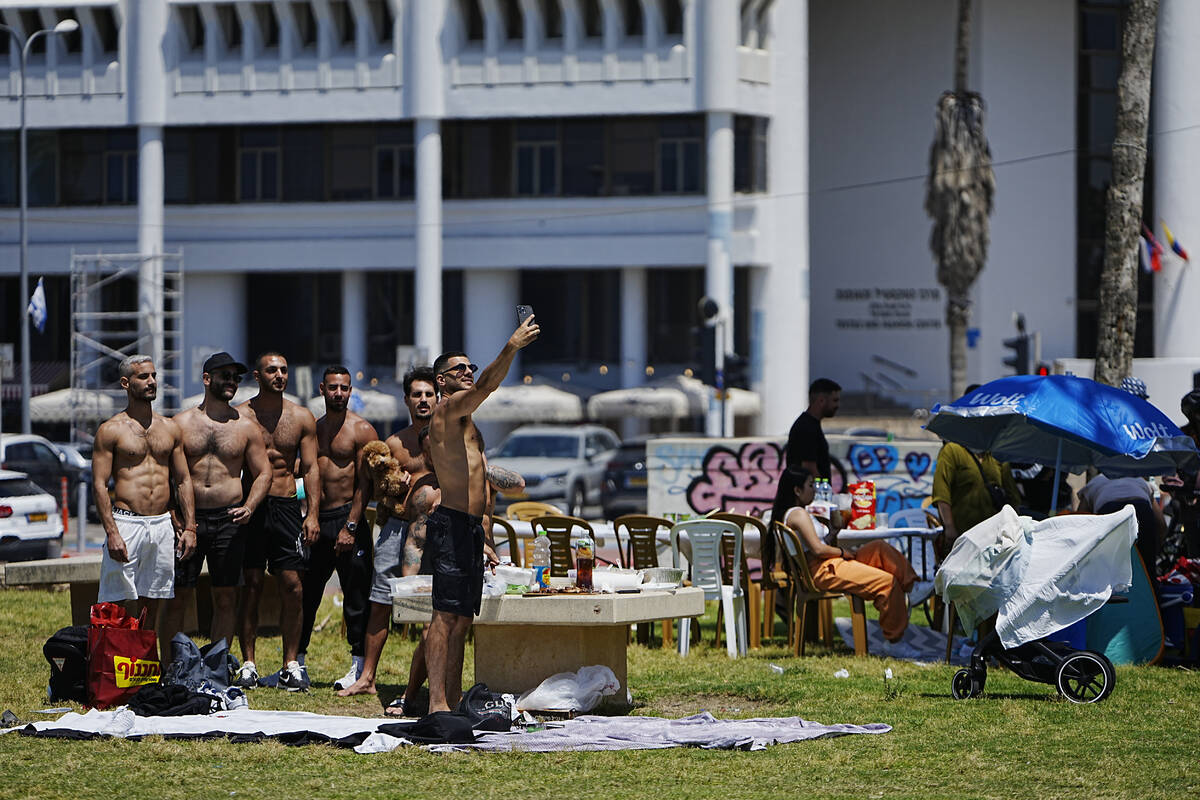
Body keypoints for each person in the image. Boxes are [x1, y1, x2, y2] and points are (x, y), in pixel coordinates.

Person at [425, 318, 539, 712]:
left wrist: (486, 537)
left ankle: (454, 700)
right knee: (444, 618)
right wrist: (511, 348)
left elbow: (482, 483)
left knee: (463, 620)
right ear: (442, 381)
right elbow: (488, 386)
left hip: (471, 529)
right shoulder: (446, 412)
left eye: (471, 367)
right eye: (461, 369)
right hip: (451, 525)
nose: (469, 373)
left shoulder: (469, 424)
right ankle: (436, 703)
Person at [164, 352, 271, 659]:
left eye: (236, 377)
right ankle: (172, 667)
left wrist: (250, 506)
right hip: (188, 521)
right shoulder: (180, 424)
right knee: (179, 596)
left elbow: (264, 472)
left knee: (226, 597)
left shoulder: (246, 427)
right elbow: (167, 475)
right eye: (225, 376)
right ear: (207, 378)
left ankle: (216, 667)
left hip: (229, 519)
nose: (232, 382)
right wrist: (175, 515)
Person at [336, 366, 434, 701]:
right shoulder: (394, 443)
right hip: (395, 528)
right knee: (380, 601)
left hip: (431, 532)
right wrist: (393, 490)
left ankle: (429, 682)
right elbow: (374, 488)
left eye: (428, 394)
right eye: (417, 394)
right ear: (406, 399)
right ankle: (367, 677)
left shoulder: (447, 442)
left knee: (428, 606)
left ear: (437, 398)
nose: (423, 400)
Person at [92, 355, 196, 666]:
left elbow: (183, 479)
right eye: (143, 377)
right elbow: (100, 485)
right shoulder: (110, 430)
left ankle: (144, 667)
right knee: (119, 601)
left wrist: (190, 526)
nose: (151, 382)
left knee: (154, 599)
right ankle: (114, 668)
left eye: (153, 376)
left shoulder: (170, 428)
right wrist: (112, 532)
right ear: (126, 383)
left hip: (161, 523)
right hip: (127, 522)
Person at [235, 352, 321, 692]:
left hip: (286, 506)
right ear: (258, 376)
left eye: (284, 370)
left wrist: (312, 513)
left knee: (293, 586)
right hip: (251, 507)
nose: (280, 375)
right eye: (272, 370)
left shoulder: (301, 417)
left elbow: (311, 468)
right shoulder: (241, 415)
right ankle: (248, 664)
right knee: (251, 585)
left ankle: (290, 664)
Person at [771, 465, 919, 658]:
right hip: (823, 569)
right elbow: (818, 550)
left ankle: (912, 587)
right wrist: (842, 552)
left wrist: (833, 533)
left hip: (829, 563)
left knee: (878, 548)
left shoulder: (800, 512)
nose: (814, 490)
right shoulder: (797, 514)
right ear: (797, 490)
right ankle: (894, 641)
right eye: (810, 485)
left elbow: (819, 545)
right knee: (887, 582)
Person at [299, 366, 379, 690]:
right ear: (322, 389)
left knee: (356, 594)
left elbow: (365, 485)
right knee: (306, 593)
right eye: (333, 388)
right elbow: (305, 473)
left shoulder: (362, 430)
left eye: (344, 388)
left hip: (350, 517)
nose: (339, 394)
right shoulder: (312, 431)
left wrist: (351, 525)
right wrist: (309, 514)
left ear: (350, 390)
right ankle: (297, 662)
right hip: (319, 519)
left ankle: (358, 666)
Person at [786, 378, 841, 480]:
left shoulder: (809, 424)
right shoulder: (807, 427)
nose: (837, 405)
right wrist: (821, 490)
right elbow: (809, 468)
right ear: (821, 400)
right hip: (811, 494)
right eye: (835, 400)